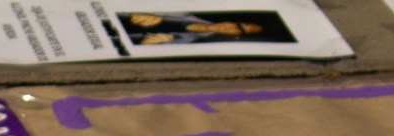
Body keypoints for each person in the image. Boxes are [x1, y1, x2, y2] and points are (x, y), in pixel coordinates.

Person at [117, 11, 291, 43]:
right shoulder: (184, 13)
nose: (231, 28)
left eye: (239, 31)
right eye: (238, 25)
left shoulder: (190, 43)